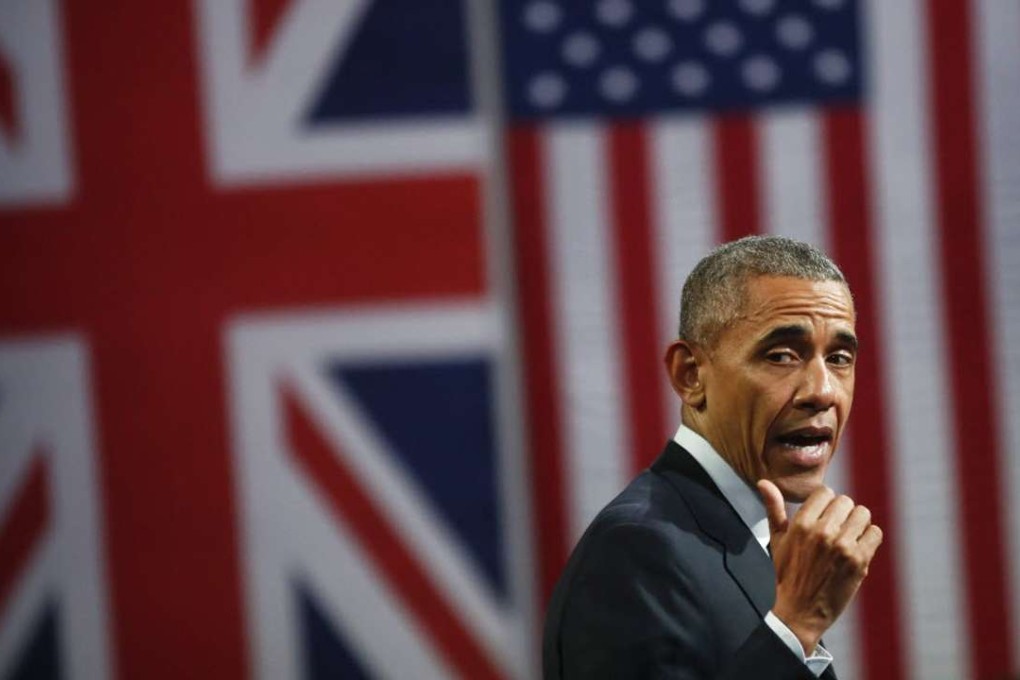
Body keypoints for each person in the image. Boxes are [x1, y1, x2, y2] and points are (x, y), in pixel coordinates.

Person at [542, 235, 883, 679]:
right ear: (690, 376)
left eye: (839, 358)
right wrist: (796, 626)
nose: (822, 391)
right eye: (781, 355)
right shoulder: (638, 551)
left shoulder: (748, 539)